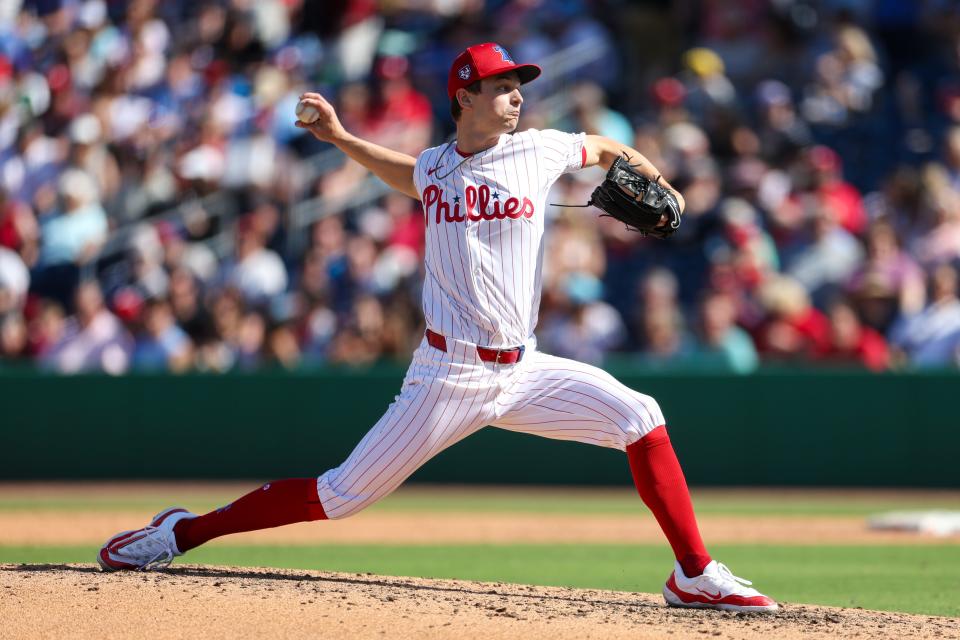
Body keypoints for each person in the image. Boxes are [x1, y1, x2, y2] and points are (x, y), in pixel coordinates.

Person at [97, 43, 778, 613]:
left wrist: (660, 179)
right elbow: (408, 174)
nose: (516, 96)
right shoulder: (436, 166)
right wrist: (339, 139)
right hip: (446, 376)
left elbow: (602, 148)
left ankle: (693, 573)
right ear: (465, 96)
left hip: (523, 368)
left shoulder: (538, 151)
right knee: (338, 497)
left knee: (641, 416)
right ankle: (182, 533)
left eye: (518, 86)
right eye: (502, 86)